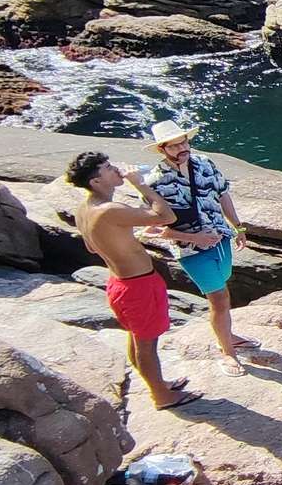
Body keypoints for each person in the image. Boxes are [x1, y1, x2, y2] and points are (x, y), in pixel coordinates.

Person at [68, 151, 199, 411]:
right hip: (137, 285)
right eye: (107, 167)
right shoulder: (109, 210)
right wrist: (140, 184)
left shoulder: (85, 208)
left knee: (137, 338)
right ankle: (161, 396)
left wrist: (123, 241)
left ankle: (158, 384)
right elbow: (166, 217)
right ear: (96, 181)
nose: (115, 168)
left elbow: (93, 247)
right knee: (146, 344)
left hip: (119, 283)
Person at [144, 120, 258, 377]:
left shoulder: (204, 164)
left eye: (183, 141)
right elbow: (151, 229)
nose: (181, 148)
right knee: (219, 298)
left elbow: (223, 194)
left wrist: (238, 227)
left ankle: (227, 334)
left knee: (224, 284)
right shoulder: (155, 183)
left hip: (220, 240)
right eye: (174, 146)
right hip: (191, 251)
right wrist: (193, 238)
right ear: (162, 149)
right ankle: (227, 352)